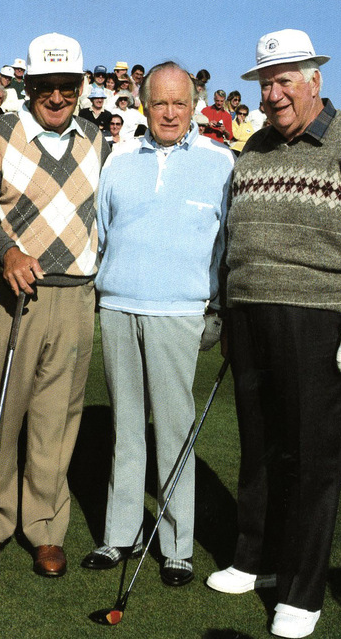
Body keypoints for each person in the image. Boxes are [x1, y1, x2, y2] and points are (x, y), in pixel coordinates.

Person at [205, 29, 341, 639]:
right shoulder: (255, 146)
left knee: (313, 460)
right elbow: (233, 238)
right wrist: (226, 310)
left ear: (315, 81)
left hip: (319, 320)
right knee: (260, 447)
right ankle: (254, 558)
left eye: (285, 80)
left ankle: (301, 592)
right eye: (266, 83)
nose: (274, 93)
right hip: (250, 315)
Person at [81, 61, 233, 587]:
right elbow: (101, 232)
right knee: (126, 429)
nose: (170, 113)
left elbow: (227, 244)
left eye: (180, 103)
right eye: (160, 102)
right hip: (119, 307)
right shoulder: (119, 159)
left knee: (173, 431)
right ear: (144, 104)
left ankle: (176, 545)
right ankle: (119, 535)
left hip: (181, 313)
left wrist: (220, 310)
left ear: (194, 106)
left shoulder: (220, 162)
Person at [0, 32, 110, 578]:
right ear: (28, 86)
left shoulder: (98, 140)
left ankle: (46, 527)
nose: (56, 97)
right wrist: (6, 252)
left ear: (81, 86)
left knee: (58, 417)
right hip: (10, 293)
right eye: (46, 85)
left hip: (74, 296)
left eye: (67, 86)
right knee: (1, 411)